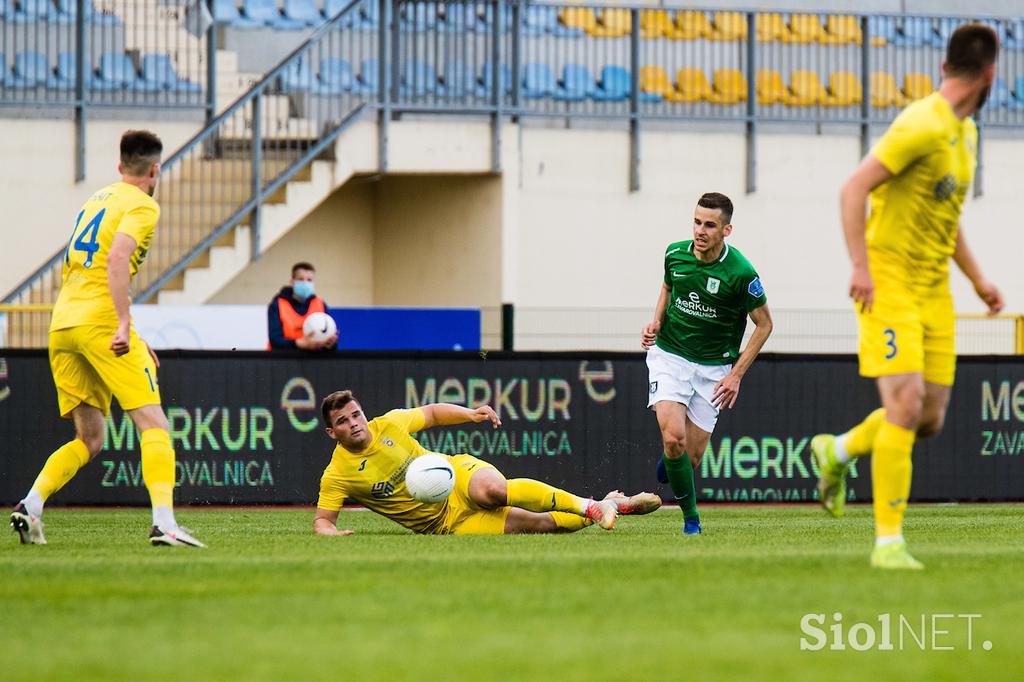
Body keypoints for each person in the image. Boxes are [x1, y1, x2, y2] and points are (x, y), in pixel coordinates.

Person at [812, 23, 1004, 570]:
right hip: (889, 282)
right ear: (992, 73)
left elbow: (947, 218)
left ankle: (837, 450)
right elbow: (853, 188)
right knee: (904, 404)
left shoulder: (966, 134)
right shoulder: (921, 122)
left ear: (947, 67)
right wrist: (860, 266)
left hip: (935, 290)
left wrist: (978, 279)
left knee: (929, 418)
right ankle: (888, 544)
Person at [10, 130, 203, 548]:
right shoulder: (144, 205)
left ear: (119, 167)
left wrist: (130, 329)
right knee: (154, 423)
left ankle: (31, 504)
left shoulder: (97, 199)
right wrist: (121, 324)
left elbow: (86, 266)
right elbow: (116, 259)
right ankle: (164, 524)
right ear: (155, 169)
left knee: (90, 440)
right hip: (101, 322)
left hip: (63, 323)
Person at [313, 390, 662, 536]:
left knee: (492, 491)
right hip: (446, 525)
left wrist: (470, 413)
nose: (354, 423)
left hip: (458, 477)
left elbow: (432, 413)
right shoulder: (338, 474)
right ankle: (608, 504)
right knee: (540, 526)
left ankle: (590, 506)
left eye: (356, 414)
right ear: (332, 432)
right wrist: (330, 533)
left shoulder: (388, 424)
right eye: (343, 421)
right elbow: (323, 520)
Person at [642, 192, 773, 536]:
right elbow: (668, 286)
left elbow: (765, 325)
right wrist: (655, 322)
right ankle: (691, 520)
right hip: (669, 356)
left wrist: (736, 375)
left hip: (714, 369)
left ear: (727, 230)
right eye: (697, 222)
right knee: (673, 438)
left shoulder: (741, 273)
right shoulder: (675, 253)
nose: (700, 231)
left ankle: (672, 464)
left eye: (710, 225)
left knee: (691, 458)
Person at [268, 262, 337, 350]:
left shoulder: (321, 304)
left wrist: (330, 344)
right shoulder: (277, 305)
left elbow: (331, 341)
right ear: (292, 282)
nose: (305, 283)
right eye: (301, 279)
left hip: (314, 360)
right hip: (283, 360)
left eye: (309, 280)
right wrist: (299, 344)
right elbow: (275, 340)